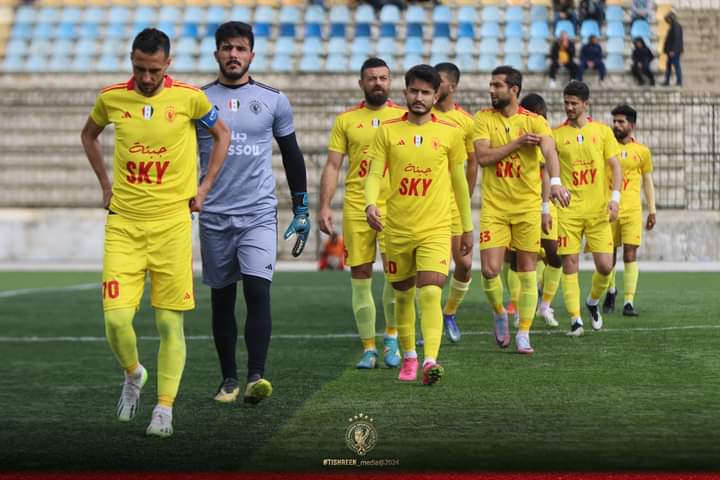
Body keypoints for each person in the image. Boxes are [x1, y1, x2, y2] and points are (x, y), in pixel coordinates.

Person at [80, 28, 231, 437]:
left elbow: (223, 134)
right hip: (124, 225)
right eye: (139, 69)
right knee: (116, 320)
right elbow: (89, 135)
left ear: (168, 64)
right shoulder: (111, 98)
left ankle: (164, 408)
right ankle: (133, 373)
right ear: (132, 61)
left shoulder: (190, 98)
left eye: (153, 70)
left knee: (169, 324)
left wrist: (204, 188)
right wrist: (105, 184)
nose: (146, 78)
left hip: (172, 227)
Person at [197, 22, 310, 404]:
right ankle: (228, 379)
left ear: (251, 54)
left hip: (258, 212)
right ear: (217, 53)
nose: (234, 54)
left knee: (258, 290)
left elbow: (291, 153)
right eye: (227, 47)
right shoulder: (197, 100)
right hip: (214, 215)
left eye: (240, 48)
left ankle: (256, 376)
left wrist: (301, 207)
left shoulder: (273, 99)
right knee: (222, 298)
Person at [365, 64, 473, 384]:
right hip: (397, 227)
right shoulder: (387, 131)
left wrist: (467, 227)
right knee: (403, 296)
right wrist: (370, 203)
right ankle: (409, 355)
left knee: (430, 292)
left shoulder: (450, 133)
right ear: (405, 92)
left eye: (426, 92)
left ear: (436, 95)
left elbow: (460, 184)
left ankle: (430, 361)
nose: (419, 97)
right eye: (414, 91)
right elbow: (374, 173)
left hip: (436, 228)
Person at [472, 66, 569, 354]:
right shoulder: (483, 119)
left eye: (497, 85)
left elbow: (549, 151)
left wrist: (555, 182)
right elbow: (483, 157)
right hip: (495, 207)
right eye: (491, 85)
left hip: (526, 207)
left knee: (527, 271)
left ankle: (524, 333)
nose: (491, 90)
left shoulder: (535, 121)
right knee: (490, 269)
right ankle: (500, 312)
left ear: (513, 90)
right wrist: (516, 144)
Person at [318, 57, 406, 369]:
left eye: (383, 78)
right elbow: (333, 165)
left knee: (396, 276)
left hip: (395, 207)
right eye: (372, 78)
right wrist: (324, 205)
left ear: (390, 82)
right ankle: (369, 347)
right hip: (357, 206)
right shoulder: (346, 120)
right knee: (360, 276)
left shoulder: (403, 117)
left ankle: (392, 337)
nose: (378, 83)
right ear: (361, 83)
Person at [553, 80, 622, 336]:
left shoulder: (602, 132)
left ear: (585, 104)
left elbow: (615, 166)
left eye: (574, 103)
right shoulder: (556, 134)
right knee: (569, 263)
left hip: (597, 211)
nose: (569, 107)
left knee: (605, 266)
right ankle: (575, 320)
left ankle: (592, 302)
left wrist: (615, 198)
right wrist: (549, 200)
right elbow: (548, 169)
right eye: (566, 103)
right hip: (568, 211)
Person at [432, 62, 478, 344]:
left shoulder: (466, 122)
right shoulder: (422, 117)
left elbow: (472, 163)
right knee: (432, 271)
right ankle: (430, 322)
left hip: (454, 203)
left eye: (439, 81)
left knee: (464, 263)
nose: (434, 86)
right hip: (428, 203)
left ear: (453, 86)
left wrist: (465, 198)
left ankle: (449, 312)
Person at [602, 104, 656, 316]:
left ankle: (628, 302)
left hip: (632, 209)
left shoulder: (642, 151)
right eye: (614, 121)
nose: (616, 125)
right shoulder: (606, 147)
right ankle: (611, 291)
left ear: (631, 125)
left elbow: (647, 181)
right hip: (609, 208)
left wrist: (652, 210)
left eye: (621, 121)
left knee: (630, 253)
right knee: (609, 254)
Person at [519, 93, 563, 328]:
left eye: (541, 116)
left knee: (555, 255)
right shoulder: (516, 139)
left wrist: (545, 207)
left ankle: (544, 305)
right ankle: (520, 307)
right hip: (520, 204)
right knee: (522, 259)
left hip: (544, 204)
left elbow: (547, 173)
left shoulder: (547, 140)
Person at [661, 12, 683, 86]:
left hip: (674, 51)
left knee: (676, 65)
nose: (667, 21)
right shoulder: (673, 26)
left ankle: (679, 82)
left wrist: (673, 50)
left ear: (671, 18)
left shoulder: (676, 26)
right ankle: (667, 81)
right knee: (669, 66)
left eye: (668, 19)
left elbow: (677, 40)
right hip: (672, 51)